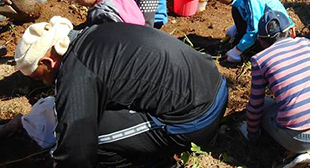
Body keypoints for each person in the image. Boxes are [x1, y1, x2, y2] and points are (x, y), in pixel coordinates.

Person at [13, 16, 228, 167]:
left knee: (93, 137)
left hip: (197, 118)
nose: (44, 81)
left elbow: (76, 150)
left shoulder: (77, 71)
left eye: (40, 76)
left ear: (48, 61)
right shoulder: (96, 32)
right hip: (213, 84)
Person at [243, 9, 310, 168]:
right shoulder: (307, 43)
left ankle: (292, 155)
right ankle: (299, 151)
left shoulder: (259, 60)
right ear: (292, 32)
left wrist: (251, 135)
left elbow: (255, 106)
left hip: (298, 139)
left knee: (263, 105)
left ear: (262, 42)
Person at [201, 0, 293, 63]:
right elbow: (246, 14)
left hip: (278, 31)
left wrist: (237, 51)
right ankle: (244, 42)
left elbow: (254, 30)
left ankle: (256, 50)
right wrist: (236, 28)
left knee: (259, 48)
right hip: (262, 22)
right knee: (236, 10)